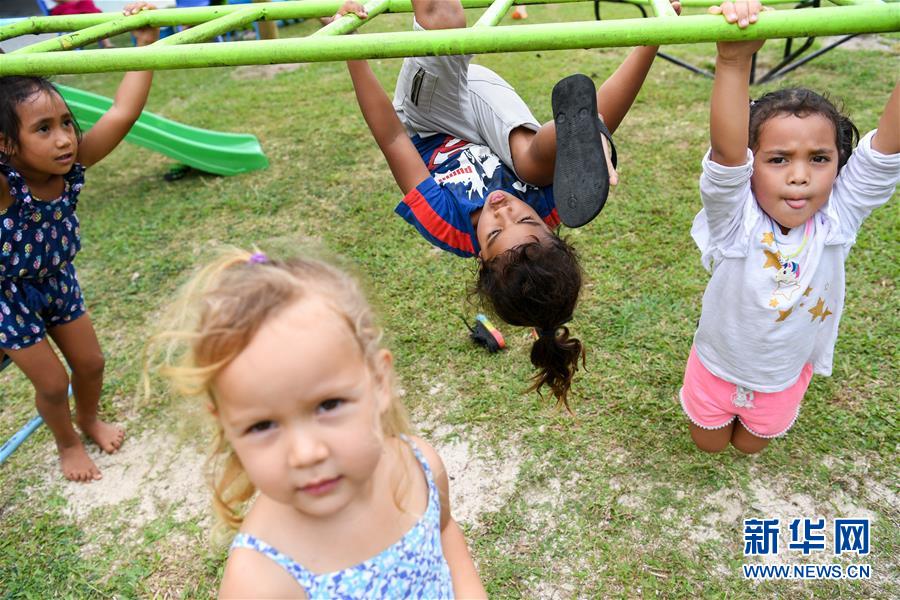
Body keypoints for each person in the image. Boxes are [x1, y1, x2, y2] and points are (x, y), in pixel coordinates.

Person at [343, 0, 680, 408]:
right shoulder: (553, 204)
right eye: (525, 216)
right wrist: (653, 38)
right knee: (535, 169)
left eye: (497, 230)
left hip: (434, 116)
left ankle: (588, 132)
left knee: (445, 17)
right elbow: (574, 144)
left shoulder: (445, 220)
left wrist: (350, 46)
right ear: (551, 229)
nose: (503, 207)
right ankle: (590, 131)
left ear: (482, 257)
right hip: (497, 118)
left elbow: (393, 138)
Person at [148, 246, 486, 599]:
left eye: (328, 405)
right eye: (262, 426)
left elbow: (446, 534)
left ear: (380, 381)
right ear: (227, 427)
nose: (305, 453)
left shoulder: (420, 466)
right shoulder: (260, 579)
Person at [680, 0, 899, 454]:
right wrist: (733, 60)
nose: (800, 175)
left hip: (781, 376)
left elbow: (883, 156)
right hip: (716, 366)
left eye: (818, 159)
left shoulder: (838, 217)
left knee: (749, 446)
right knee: (709, 443)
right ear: (751, 167)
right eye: (778, 160)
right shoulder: (735, 220)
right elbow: (726, 159)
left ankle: (757, 415)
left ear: (838, 166)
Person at [0, 3, 160, 481]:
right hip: (8, 297)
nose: (64, 139)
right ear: (6, 144)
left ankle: (88, 417)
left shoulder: (74, 164)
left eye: (66, 123)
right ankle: (66, 441)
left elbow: (123, 112)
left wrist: (146, 42)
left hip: (57, 280)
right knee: (52, 382)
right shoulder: (5, 185)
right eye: (43, 130)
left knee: (90, 363)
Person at [46, 1, 113, 48]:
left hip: (75, 9)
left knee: (88, 5)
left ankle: (106, 42)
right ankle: (106, 43)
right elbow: (60, 1)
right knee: (88, 5)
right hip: (65, 11)